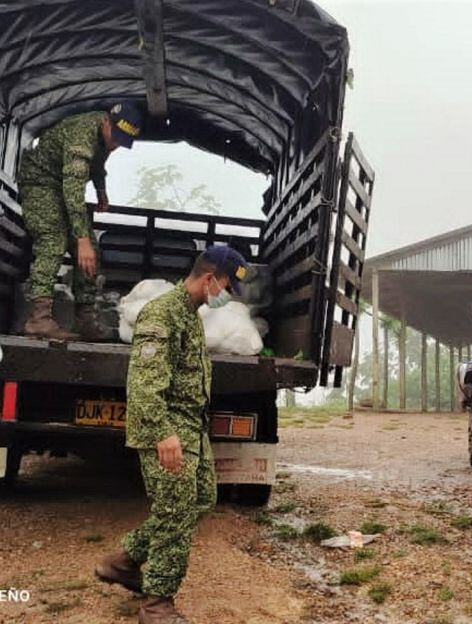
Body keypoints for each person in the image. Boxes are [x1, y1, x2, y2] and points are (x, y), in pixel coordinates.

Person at [94, 245, 250, 624]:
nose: (227, 296)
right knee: (175, 510)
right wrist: (163, 434)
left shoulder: (191, 314)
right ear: (210, 279)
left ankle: (123, 561)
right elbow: (145, 384)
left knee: (201, 500)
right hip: (167, 428)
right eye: (227, 286)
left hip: (191, 427)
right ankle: (156, 604)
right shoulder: (162, 314)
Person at [16, 102, 142, 340]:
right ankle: (38, 320)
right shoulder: (82, 132)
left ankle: (85, 319)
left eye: (121, 141)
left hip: (61, 187)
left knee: (90, 251)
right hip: (40, 184)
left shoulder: (103, 137)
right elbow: (73, 188)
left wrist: (101, 191)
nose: (114, 144)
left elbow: (97, 165)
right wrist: (81, 238)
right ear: (106, 121)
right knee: (53, 240)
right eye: (115, 137)